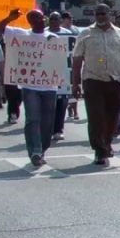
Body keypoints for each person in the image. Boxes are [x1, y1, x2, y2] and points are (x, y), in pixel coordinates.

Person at [0, 9, 65, 167]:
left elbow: (59, 62)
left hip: (49, 86)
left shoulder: (53, 38)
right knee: (33, 119)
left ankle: (42, 148)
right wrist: (9, 18)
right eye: (33, 18)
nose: (38, 20)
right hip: (29, 86)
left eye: (39, 17)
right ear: (29, 21)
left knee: (47, 122)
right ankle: (35, 150)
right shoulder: (21, 35)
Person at [71, 3, 120, 166]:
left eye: (103, 14)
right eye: (97, 14)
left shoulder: (119, 34)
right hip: (92, 80)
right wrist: (75, 84)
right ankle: (99, 150)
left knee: (113, 116)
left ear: (110, 15)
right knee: (96, 117)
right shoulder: (85, 34)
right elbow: (77, 59)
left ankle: (106, 143)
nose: (100, 17)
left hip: (115, 80)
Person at [48, 11, 77, 141]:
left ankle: (58, 130)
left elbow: (73, 54)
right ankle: (48, 129)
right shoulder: (44, 33)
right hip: (47, 74)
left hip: (64, 74)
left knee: (62, 103)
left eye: (56, 19)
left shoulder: (68, 34)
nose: (54, 21)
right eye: (52, 19)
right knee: (48, 105)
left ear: (60, 21)